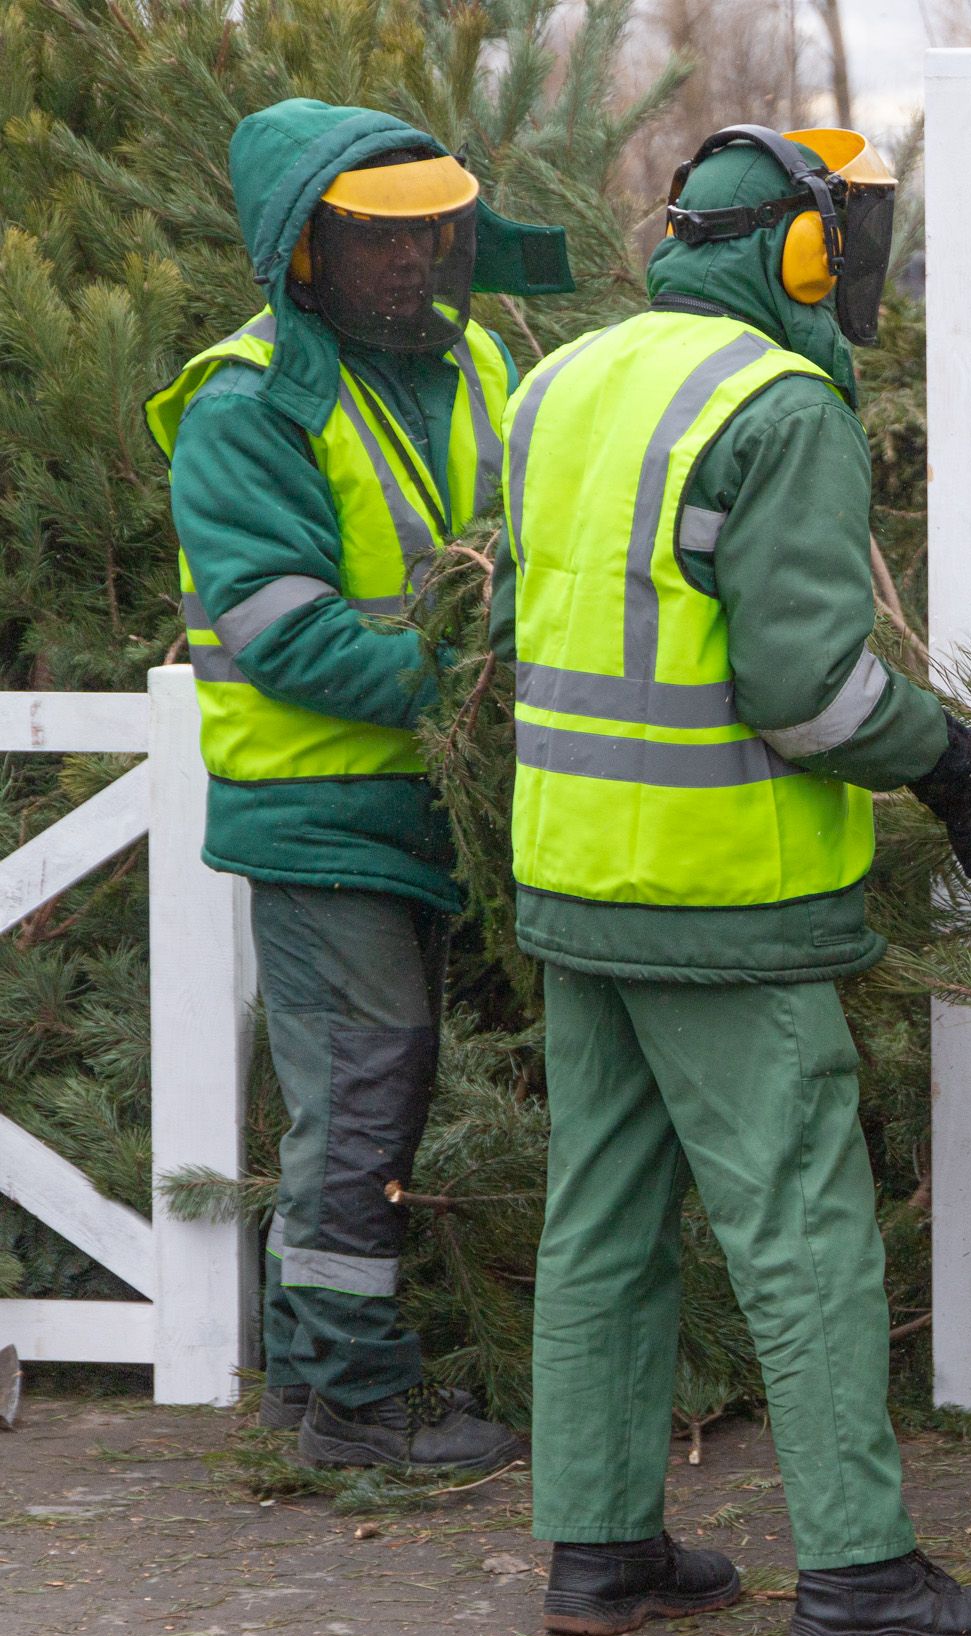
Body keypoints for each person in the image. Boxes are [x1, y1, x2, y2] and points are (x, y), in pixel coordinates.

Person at [497, 126, 971, 1636]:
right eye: (847, 240)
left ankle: (600, 1550)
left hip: (578, 877)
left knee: (601, 1216)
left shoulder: (562, 385)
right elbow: (808, 689)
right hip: (720, 894)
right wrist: (953, 763)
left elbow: (515, 613)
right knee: (804, 1228)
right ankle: (864, 1578)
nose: (855, 267)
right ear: (798, 252)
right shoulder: (779, 405)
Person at [148, 98, 573, 1469]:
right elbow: (282, 631)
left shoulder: (487, 368)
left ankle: (310, 1383)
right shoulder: (249, 401)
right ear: (303, 252)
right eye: (378, 242)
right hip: (323, 810)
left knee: (367, 1090)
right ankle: (350, 1403)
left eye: (434, 236)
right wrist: (476, 696)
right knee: (368, 1091)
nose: (416, 265)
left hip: (424, 809)